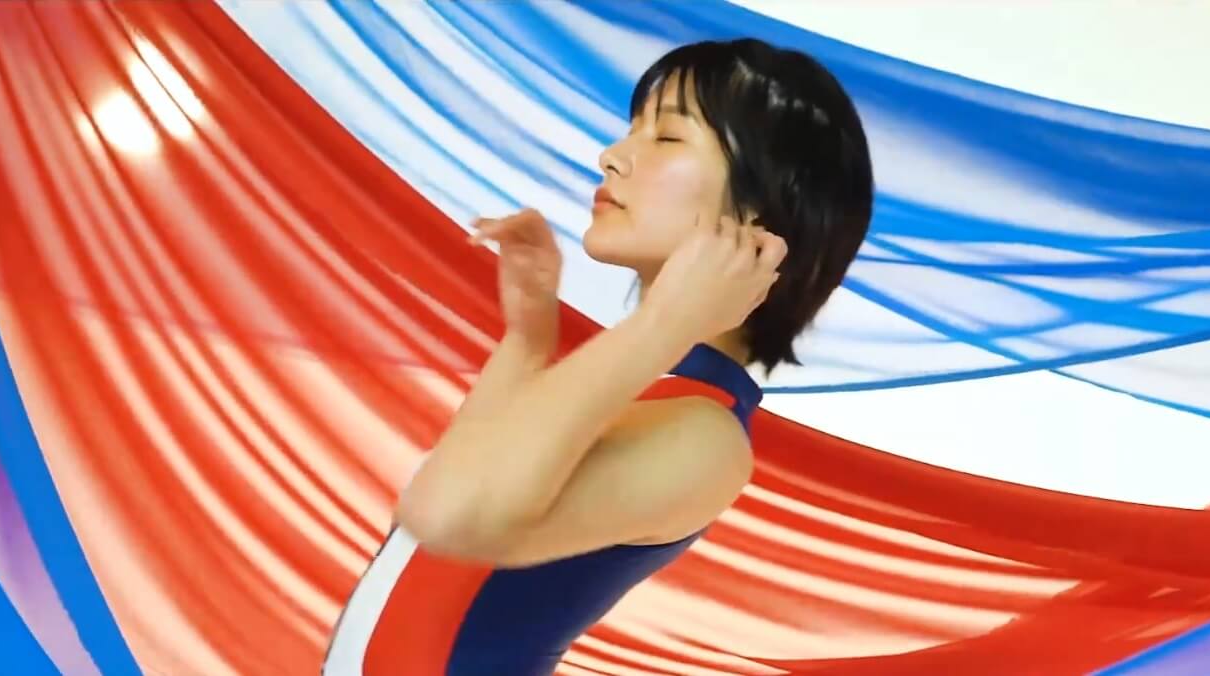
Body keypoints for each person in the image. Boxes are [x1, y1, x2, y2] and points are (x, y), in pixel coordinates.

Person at [322, 37, 873, 675]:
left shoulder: (706, 435)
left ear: (758, 216)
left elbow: (442, 515)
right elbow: (439, 512)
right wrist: (529, 340)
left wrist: (664, 323)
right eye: (631, 131)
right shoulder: (635, 380)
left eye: (667, 137)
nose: (612, 156)